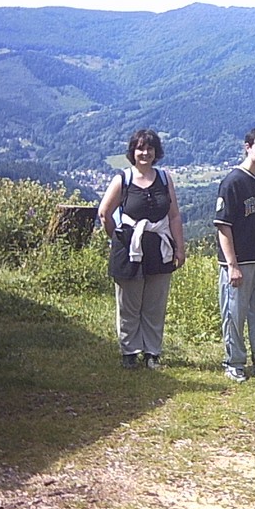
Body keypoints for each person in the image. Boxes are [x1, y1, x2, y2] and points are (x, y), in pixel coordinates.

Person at [98, 129, 186, 370]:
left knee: (155, 304)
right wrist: (118, 238)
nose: (145, 153)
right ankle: (130, 351)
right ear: (132, 152)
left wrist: (180, 248)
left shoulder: (165, 179)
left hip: (159, 247)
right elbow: (104, 213)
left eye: (149, 148)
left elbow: (174, 216)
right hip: (129, 249)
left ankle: (152, 352)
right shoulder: (123, 180)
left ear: (156, 152)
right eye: (140, 148)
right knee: (129, 303)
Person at [215, 127, 255, 382]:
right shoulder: (233, 182)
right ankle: (234, 362)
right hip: (239, 261)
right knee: (234, 314)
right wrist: (232, 265)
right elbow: (223, 226)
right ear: (247, 147)